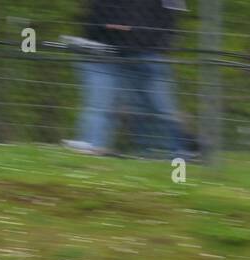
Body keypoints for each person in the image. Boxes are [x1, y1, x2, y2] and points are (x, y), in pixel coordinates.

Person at [63, 0, 187, 158]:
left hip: (147, 53)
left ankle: (176, 151)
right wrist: (107, 28)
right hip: (102, 50)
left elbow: (171, 21)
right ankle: (92, 145)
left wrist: (147, 38)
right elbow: (93, 14)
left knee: (159, 107)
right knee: (99, 104)